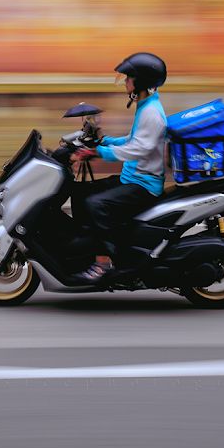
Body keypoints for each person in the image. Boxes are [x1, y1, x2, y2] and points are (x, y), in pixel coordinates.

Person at [70, 52, 168, 283]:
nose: (125, 82)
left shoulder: (152, 113)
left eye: (128, 78)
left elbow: (139, 150)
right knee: (80, 192)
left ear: (141, 81)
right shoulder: (146, 106)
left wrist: (99, 152)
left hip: (143, 185)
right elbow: (134, 140)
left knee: (96, 204)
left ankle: (105, 261)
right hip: (132, 178)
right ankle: (88, 247)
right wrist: (106, 142)